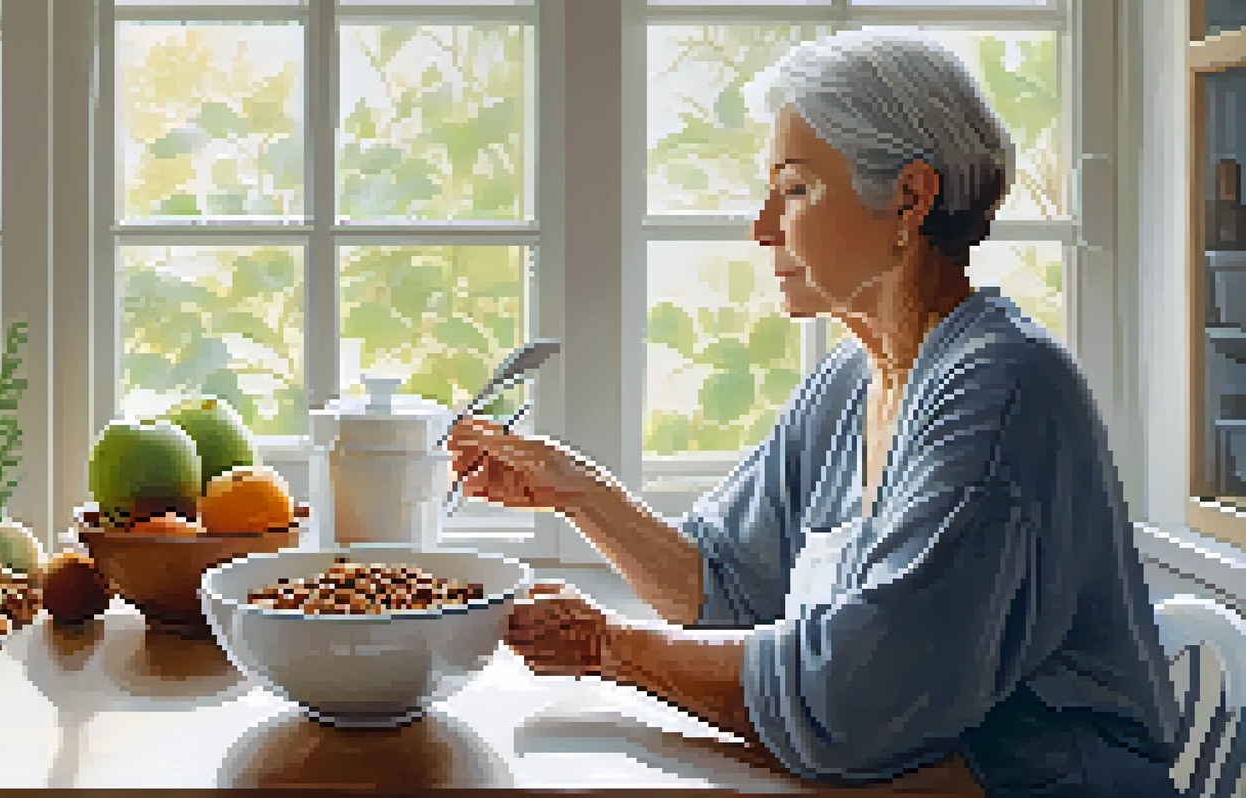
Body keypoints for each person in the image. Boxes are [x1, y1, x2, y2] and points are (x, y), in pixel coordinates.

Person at [447, 31, 1182, 797]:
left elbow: (855, 707)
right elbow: (723, 587)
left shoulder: (999, 391)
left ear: (909, 198)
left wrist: (608, 648)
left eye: (796, 189)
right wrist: (574, 489)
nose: (762, 227)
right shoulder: (848, 382)